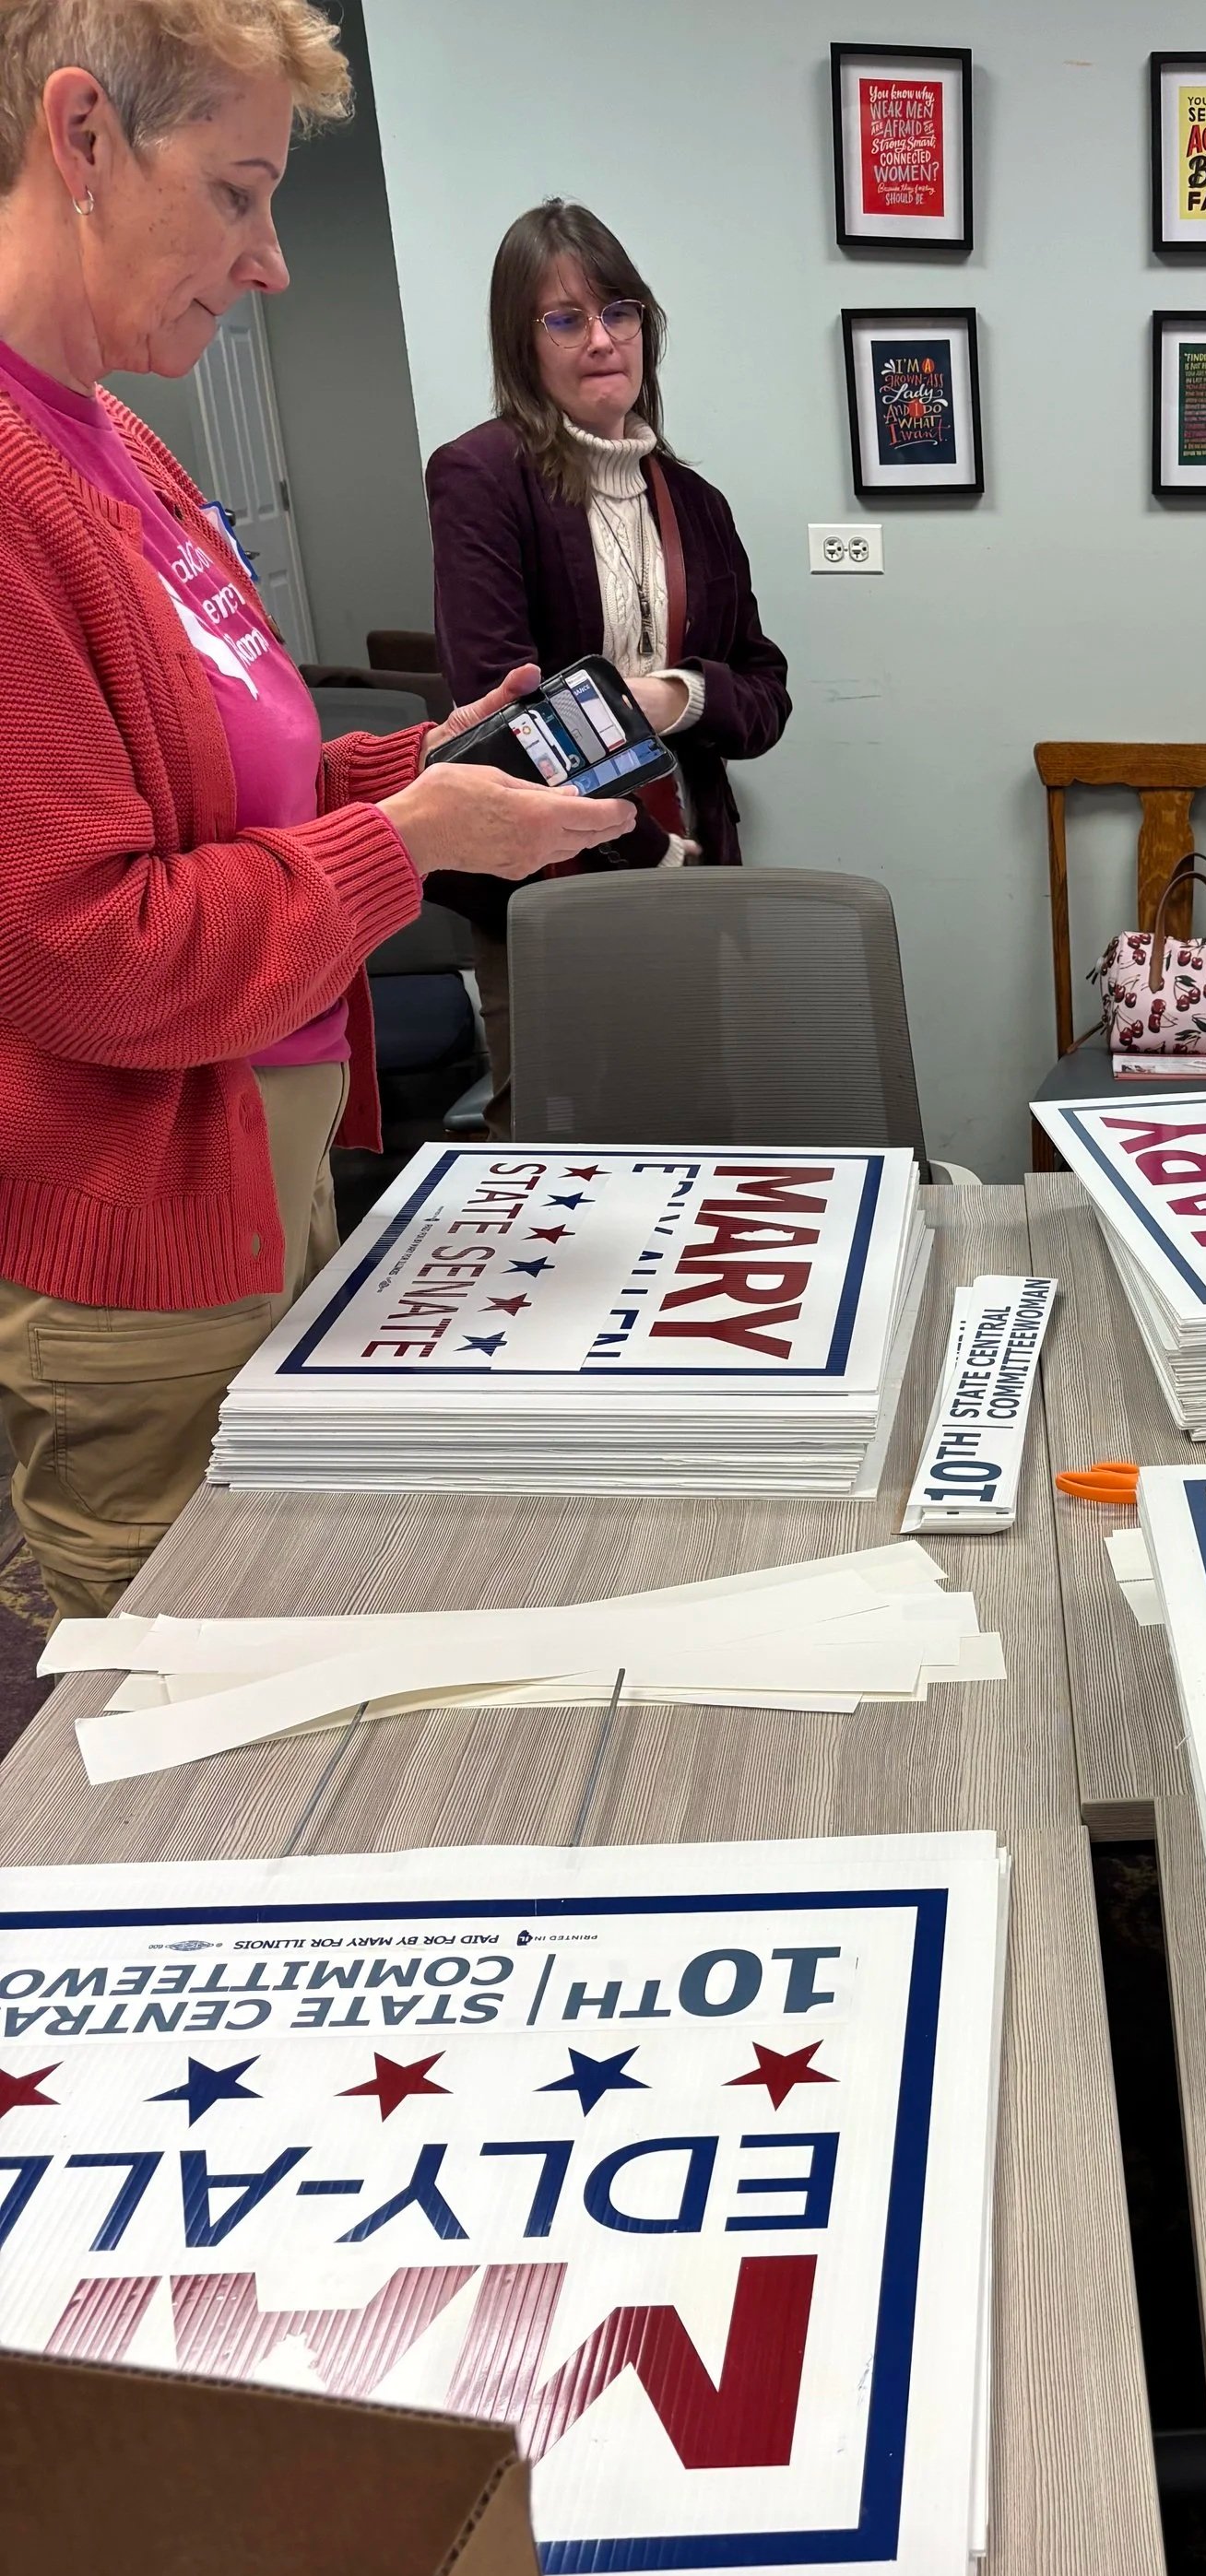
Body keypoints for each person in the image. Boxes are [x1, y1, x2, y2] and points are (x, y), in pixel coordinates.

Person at [0, 0, 633, 1618]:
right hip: (133, 1211)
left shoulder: (118, 443)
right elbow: (97, 948)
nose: (272, 257)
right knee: (166, 1663)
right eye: (236, 191)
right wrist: (410, 841)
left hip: (252, 1158)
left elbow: (229, 789)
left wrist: (412, 770)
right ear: (80, 138)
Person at [428, 201, 792, 1124]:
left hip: (690, 871)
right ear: (523, 343)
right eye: (565, 319)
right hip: (546, 875)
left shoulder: (696, 503)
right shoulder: (481, 479)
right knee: (558, 1144)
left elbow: (764, 698)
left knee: (690, 1120)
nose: (601, 340)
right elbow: (504, 714)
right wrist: (648, 848)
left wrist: (670, 698)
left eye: (619, 313)